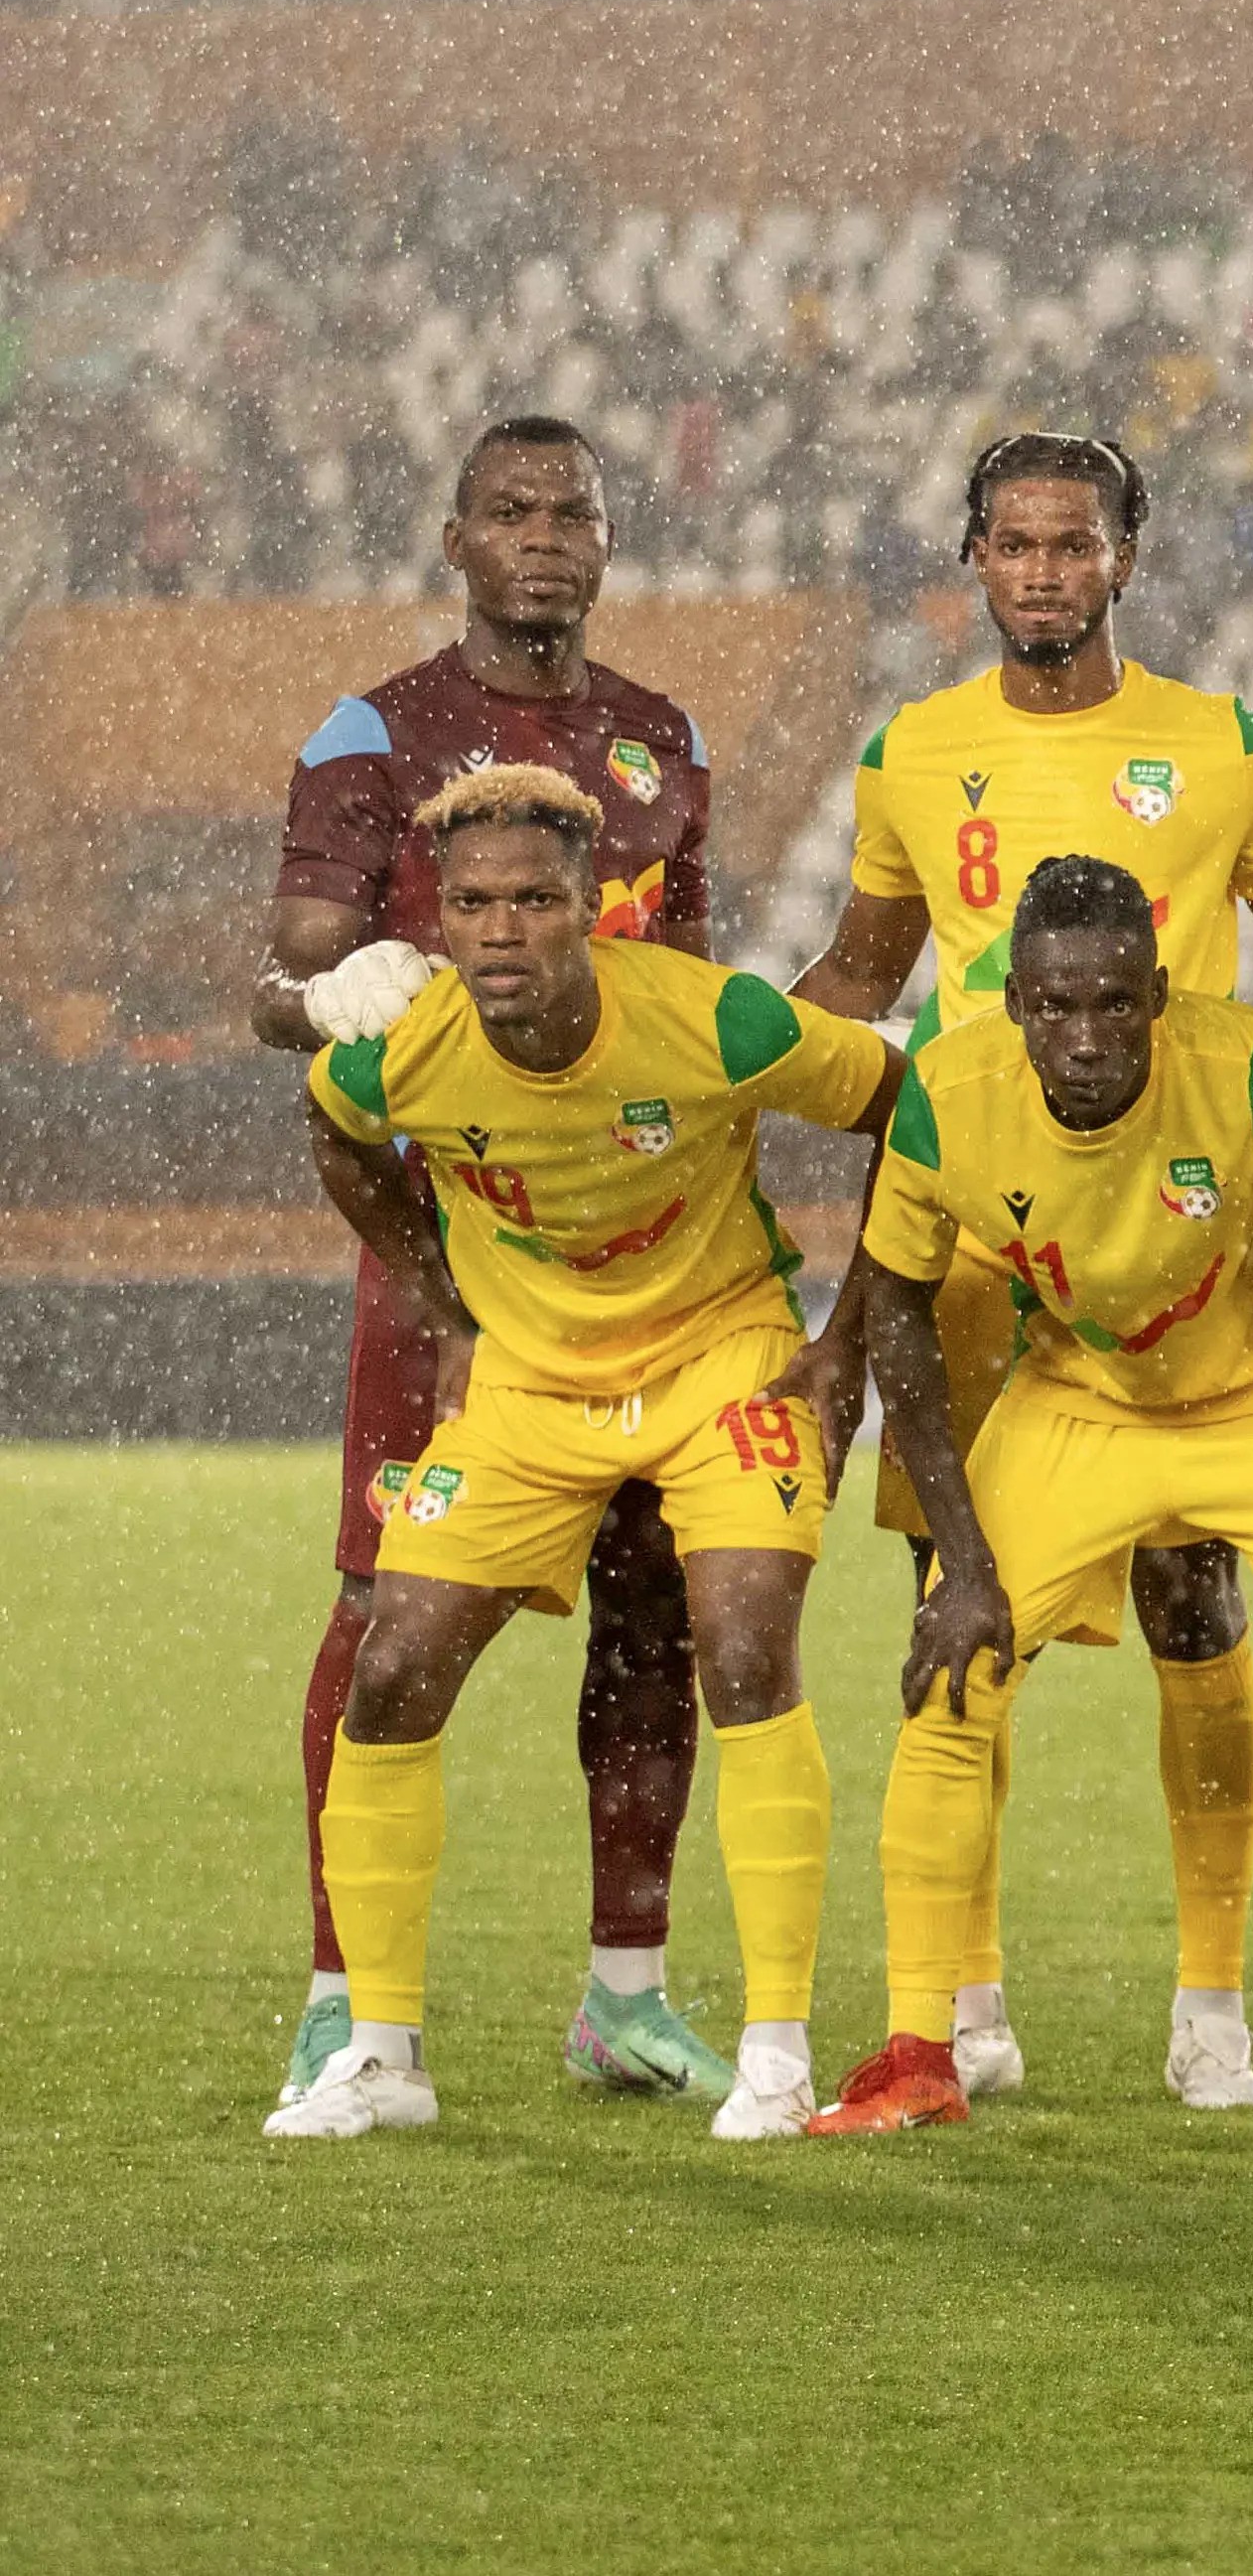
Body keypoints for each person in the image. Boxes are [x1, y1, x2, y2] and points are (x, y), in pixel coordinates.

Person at [785, 431, 1253, 2109]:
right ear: (973, 558)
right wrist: (694, 1036)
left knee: (1197, 1603)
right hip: (983, 1230)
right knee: (960, 1609)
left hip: (1185, 1228)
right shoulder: (912, 753)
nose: (1044, 570)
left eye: (1074, 543)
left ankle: (1211, 2009)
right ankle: (966, 2005)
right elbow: (857, 979)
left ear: (1127, 556)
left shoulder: (1227, 749)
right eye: (1014, 542)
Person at [267, 766, 901, 2141]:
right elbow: (331, 1123)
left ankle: (779, 2054)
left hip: (721, 1356)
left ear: (591, 903)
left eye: (534, 901)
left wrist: (851, 1335)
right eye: (472, 904)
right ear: (440, 916)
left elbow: (907, 1106)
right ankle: (379, 2057)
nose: (500, 931)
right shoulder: (405, 1051)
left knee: (743, 1647)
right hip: (533, 1382)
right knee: (392, 1667)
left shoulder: (715, 1017)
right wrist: (442, 1304)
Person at [810, 856, 1253, 2138]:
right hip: (1084, 1396)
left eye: (1115, 1003)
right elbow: (895, 1305)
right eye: (1055, 1006)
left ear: (1159, 996)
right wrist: (960, 1558)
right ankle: (919, 2055)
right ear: (1013, 1003)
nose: (1086, 1036)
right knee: (950, 1675)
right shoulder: (945, 1096)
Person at [251, 414, 733, 2110]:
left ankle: (627, 1994)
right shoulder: (374, 731)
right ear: (454, 539)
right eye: (510, 511)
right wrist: (340, 990)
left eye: (572, 512)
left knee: (655, 1607)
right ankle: (344, 2000)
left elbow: (689, 995)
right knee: (382, 1610)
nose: (544, 537)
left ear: (608, 541)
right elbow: (283, 979)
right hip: (449, 1256)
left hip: (637, 1257)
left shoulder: (665, 741)